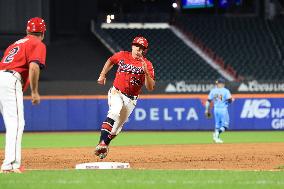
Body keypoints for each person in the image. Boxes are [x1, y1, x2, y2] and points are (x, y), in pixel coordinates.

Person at [95, 36, 155, 159]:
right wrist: (102, 74)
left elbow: (150, 87)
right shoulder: (122, 55)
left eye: (142, 48)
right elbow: (111, 60)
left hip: (131, 99)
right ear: (132, 46)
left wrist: (147, 74)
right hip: (117, 92)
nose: (139, 50)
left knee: (116, 129)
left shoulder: (147, 65)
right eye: (137, 47)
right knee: (114, 111)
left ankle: (105, 144)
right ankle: (101, 142)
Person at [0, 17, 47, 173]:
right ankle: (10, 165)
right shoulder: (37, 43)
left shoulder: (15, 44)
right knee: (16, 123)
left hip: (2, 76)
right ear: (43, 33)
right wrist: (34, 92)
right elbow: (34, 67)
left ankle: (10, 163)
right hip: (10, 79)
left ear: (27, 31)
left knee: (11, 122)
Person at [204, 78, 233, 143]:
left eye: (218, 83)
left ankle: (216, 138)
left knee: (217, 125)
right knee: (225, 126)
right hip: (223, 109)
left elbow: (208, 101)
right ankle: (216, 134)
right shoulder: (226, 91)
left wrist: (206, 110)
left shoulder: (213, 91)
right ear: (223, 84)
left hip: (216, 109)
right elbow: (230, 100)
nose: (217, 84)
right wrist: (231, 100)